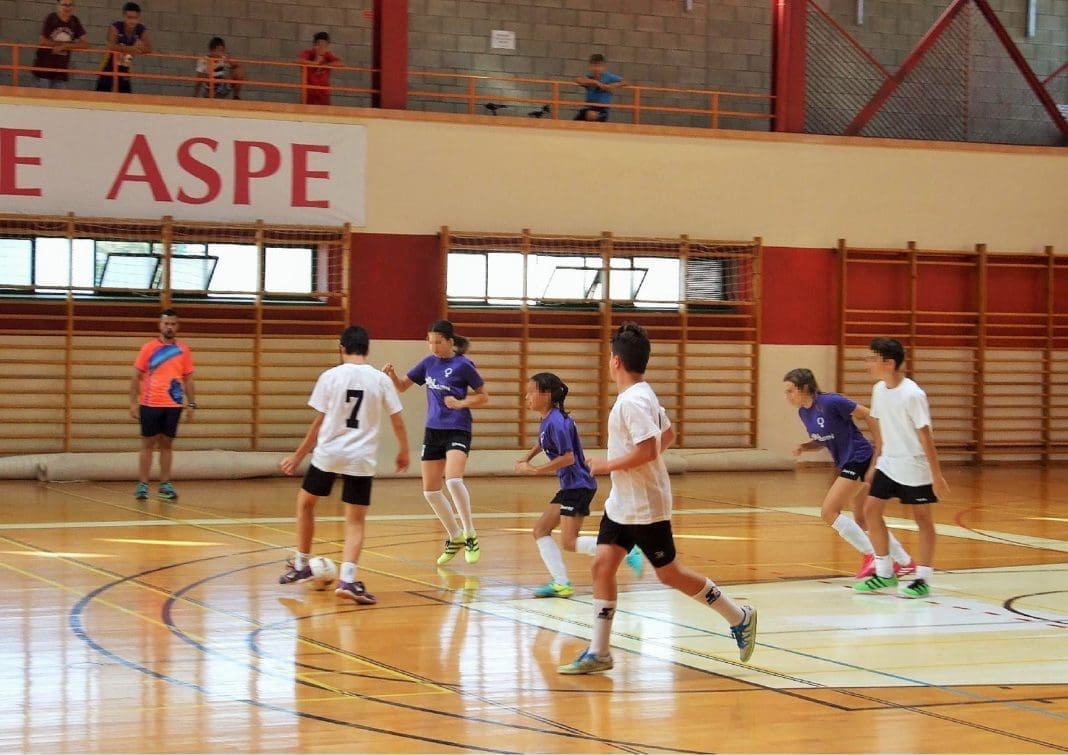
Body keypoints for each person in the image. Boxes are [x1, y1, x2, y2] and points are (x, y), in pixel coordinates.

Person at [558, 323, 756, 675]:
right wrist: (632, 469)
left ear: (616, 361)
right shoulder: (641, 393)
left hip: (646, 507)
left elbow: (649, 449)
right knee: (602, 565)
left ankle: (739, 616)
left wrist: (608, 465)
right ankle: (600, 652)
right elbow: (668, 434)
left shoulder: (633, 402)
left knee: (669, 574)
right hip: (623, 502)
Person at [277, 325, 410, 605]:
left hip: (329, 453)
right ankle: (348, 579)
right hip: (361, 457)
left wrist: (298, 456)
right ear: (368, 349)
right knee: (355, 521)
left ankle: (301, 564)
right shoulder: (380, 379)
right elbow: (397, 420)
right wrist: (404, 451)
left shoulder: (330, 377)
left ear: (342, 348)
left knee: (305, 504)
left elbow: (319, 423)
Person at [515, 372, 642, 598]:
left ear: (546, 395)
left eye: (531, 392)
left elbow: (568, 458)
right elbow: (542, 442)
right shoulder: (548, 419)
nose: (527, 397)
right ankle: (561, 583)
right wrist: (526, 458)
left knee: (570, 541)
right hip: (571, 486)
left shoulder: (557, 422)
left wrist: (534, 470)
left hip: (578, 485)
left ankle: (625, 548)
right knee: (541, 530)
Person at [784, 368, 914, 578]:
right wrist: (804, 447)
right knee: (863, 519)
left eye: (790, 390)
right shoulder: (804, 412)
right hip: (848, 461)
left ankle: (872, 555)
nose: (787, 396)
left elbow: (869, 415)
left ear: (805, 388)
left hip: (859, 457)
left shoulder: (831, 402)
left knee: (829, 511)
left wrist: (880, 449)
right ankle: (904, 561)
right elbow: (823, 439)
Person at [383, 320, 489, 566]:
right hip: (433, 430)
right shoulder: (428, 363)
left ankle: (470, 534)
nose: (434, 347)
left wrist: (461, 403)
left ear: (450, 341)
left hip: (458, 428)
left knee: (453, 480)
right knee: (430, 491)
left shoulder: (463, 365)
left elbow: (484, 396)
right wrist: (392, 376)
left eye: (438, 342)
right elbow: (402, 387)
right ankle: (455, 536)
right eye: (430, 342)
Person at [855, 338, 949, 598]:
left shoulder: (913, 395)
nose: (868, 364)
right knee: (870, 510)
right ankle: (885, 572)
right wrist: (876, 462)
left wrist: (936, 475)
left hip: (914, 464)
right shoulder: (878, 390)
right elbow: (882, 431)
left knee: (923, 519)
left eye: (872, 359)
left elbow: (925, 436)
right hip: (889, 462)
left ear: (889, 363)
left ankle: (923, 578)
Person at [130, 309, 195, 501]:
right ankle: (143, 484)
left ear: (177, 326)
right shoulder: (148, 348)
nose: (169, 327)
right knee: (147, 445)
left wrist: (191, 404)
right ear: (160, 325)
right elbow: (136, 376)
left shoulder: (183, 350)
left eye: (173, 324)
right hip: (150, 403)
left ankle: (165, 484)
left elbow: (189, 379)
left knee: (167, 445)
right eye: (166, 323)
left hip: (173, 404)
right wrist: (133, 403)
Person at [95, 2, 151, 94]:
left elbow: (148, 48)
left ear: (139, 18)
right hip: (109, 64)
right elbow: (111, 46)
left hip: (125, 66)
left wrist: (136, 48)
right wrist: (132, 49)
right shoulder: (116, 26)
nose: (132, 21)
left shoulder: (141, 29)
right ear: (124, 16)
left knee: (125, 95)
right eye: (129, 17)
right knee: (101, 94)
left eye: (135, 18)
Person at [31, 0, 88, 89]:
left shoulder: (75, 21)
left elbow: (85, 44)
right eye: (64, 5)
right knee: (41, 95)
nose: (67, 8)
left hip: (61, 70)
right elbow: (42, 41)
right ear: (58, 5)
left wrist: (65, 46)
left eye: (70, 5)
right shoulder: (51, 18)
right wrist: (58, 45)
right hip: (44, 68)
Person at [574, 53, 624, 122]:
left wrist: (613, 85)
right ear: (590, 66)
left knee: (591, 115)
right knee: (576, 120)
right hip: (589, 107)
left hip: (602, 110)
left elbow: (625, 82)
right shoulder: (589, 78)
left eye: (599, 66)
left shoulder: (608, 77)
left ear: (603, 67)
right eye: (594, 66)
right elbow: (578, 80)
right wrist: (596, 83)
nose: (597, 69)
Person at [296, 31, 340, 106]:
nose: (322, 48)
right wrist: (315, 63)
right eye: (319, 45)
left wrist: (325, 65)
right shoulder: (308, 53)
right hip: (308, 95)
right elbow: (297, 60)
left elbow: (340, 63)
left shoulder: (328, 55)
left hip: (323, 95)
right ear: (314, 45)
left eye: (325, 46)